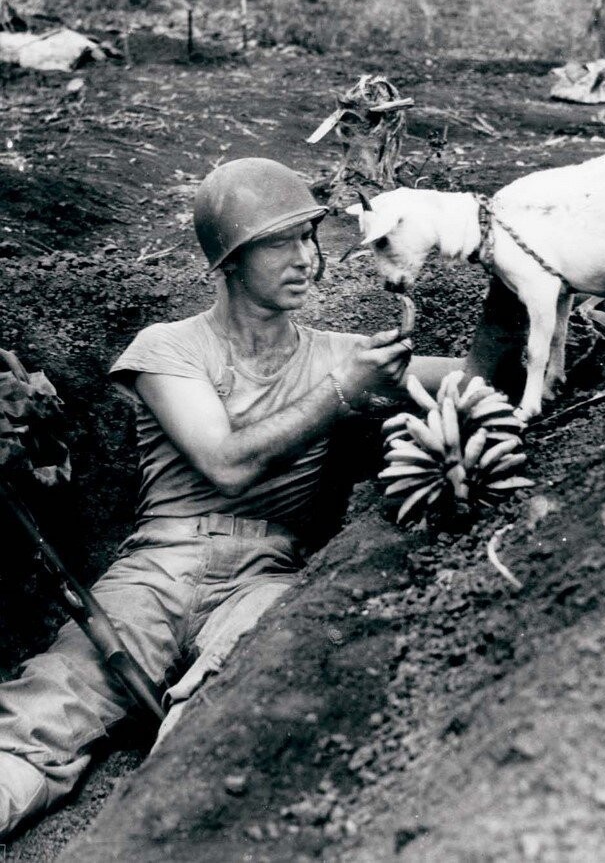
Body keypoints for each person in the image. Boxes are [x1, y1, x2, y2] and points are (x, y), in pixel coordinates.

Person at [0, 157, 461, 838]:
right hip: (157, 570)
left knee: (236, 711)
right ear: (230, 260)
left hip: (266, 576)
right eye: (282, 241)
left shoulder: (343, 353)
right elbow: (226, 462)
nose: (306, 257)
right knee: (45, 709)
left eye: (310, 238)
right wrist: (344, 389)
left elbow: (481, 377)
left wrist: (526, 293)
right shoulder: (169, 348)